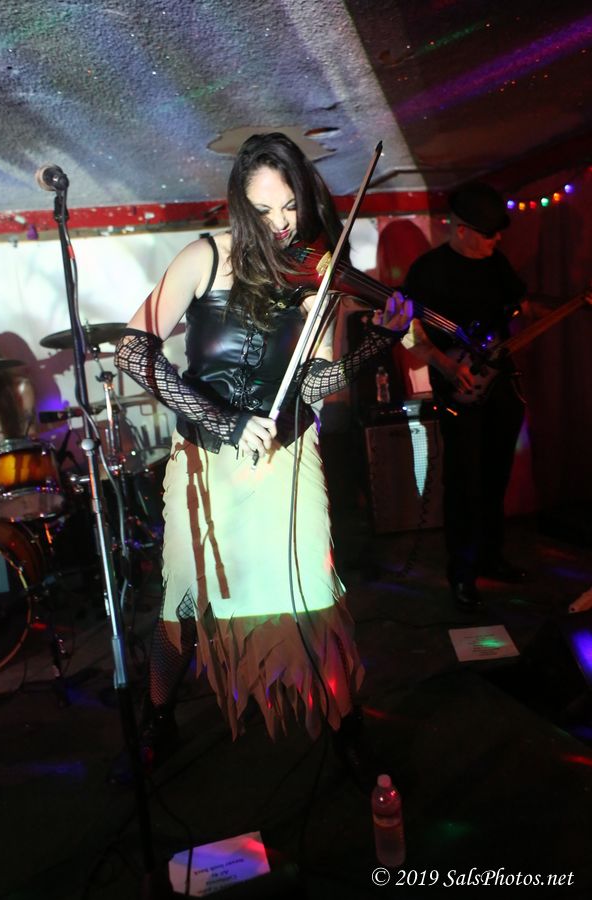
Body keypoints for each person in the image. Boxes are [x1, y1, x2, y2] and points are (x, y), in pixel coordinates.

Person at [114, 132, 412, 772]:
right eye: (264, 211)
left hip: (288, 455)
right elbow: (132, 351)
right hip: (205, 459)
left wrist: (378, 343)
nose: (281, 225)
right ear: (239, 207)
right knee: (185, 600)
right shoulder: (205, 256)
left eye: (291, 207)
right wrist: (221, 420)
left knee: (312, 589)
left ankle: (345, 724)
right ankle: (159, 716)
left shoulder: (315, 278)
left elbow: (317, 383)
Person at [402, 182, 527, 611]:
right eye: (488, 233)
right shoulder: (428, 271)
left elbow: (520, 308)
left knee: (496, 476)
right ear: (461, 230)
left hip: (501, 385)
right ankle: (462, 573)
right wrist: (446, 365)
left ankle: (492, 557)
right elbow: (409, 334)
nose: (497, 238)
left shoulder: (497, 264)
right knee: (464, 481)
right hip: (459, 389)